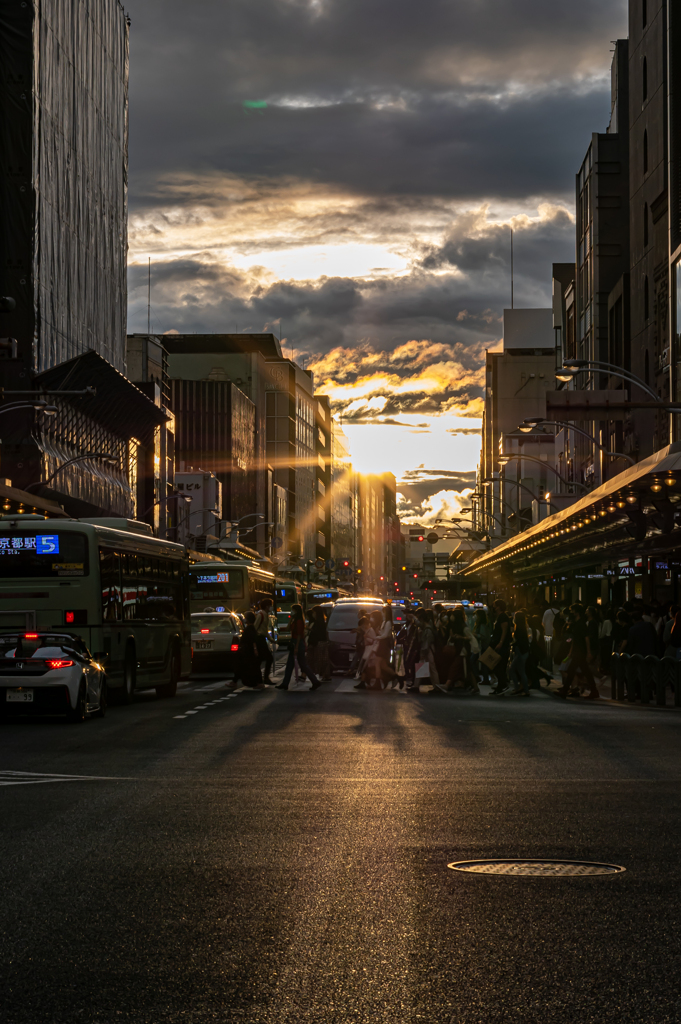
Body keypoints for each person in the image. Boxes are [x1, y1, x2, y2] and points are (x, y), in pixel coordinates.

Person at [559, 604, 599, 700]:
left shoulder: (581, 624)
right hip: (577, 651)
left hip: (581, 651)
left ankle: (565, 690)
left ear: (577, 612)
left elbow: (586, 638)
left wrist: (588, 652)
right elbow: (575, 639)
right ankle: (593, 690)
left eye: (572, 611)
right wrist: (571, 652)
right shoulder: (577, 623)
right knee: (582, 671)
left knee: (573, 670)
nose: (571, 612)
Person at [276, 604, 321, 691]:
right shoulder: (295, 620)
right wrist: (290, 619)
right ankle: (285, 683)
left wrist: (296, 647)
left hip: (298, 643)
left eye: (293, 610)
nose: (292, 612)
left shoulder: (300, 621)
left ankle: (315, 681)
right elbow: (288, 628)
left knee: (302, 665)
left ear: (296, 611)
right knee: (292, 664)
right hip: (294, 642)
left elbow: (299, 635)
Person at [237, 611, 265, 688]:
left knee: (252, 666)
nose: (244, 619)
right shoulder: (251, 628)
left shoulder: (250, 628)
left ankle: (258, 683)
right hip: (248, 650)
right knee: (253, 666)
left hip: (249, 650)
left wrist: (255, 649)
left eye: (245, 618)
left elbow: (253, 640)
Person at [489, 599, 512, 694]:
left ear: (498, 606)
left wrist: (501, 642)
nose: (493, 607)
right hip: (499, 644)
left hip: (501, 645)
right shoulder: (500, 616)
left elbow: (504, 630)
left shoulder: (502, 616)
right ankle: (500, 686)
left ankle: (503, 684)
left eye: (494, 605)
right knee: (498, 665)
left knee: (496, 665)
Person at [507, 610, 531, 696]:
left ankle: (521, 688)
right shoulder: (522, 628)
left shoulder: (519, 630)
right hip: (523, 652)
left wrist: (512, 643)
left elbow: (519, 641)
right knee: (519, 670)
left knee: (514, 670)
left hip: (520, 652)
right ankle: (523, 689)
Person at [306, 606, 331, 681]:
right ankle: (325, 675)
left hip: (319, 643)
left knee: (320, 660)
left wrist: (309, 629)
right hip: (322, 642)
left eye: (314, 612)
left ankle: (323, 674)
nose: (313, 614)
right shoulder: (322, 621)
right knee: (324, 659)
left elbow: (317, 632)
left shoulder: (318, 622)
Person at [253, 598, 274, 684]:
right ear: (267, 606)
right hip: (259, 639)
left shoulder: (265, 615)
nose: (271, 608)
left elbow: (265, 630)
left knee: (260, 659)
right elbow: (256, 628)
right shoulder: (261, 615)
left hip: (262, 639)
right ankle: (264, 678)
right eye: (270, 606)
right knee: (269, 658)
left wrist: (271, 639)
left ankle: (259, 678)